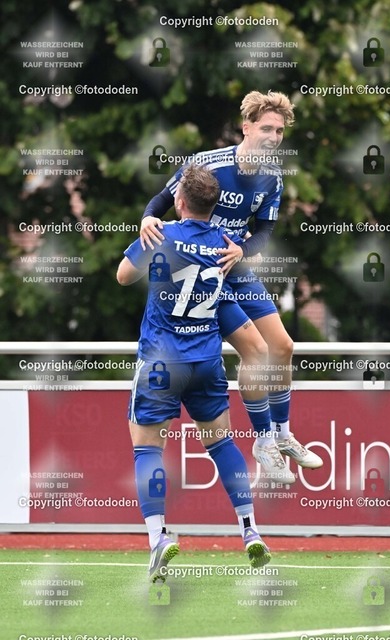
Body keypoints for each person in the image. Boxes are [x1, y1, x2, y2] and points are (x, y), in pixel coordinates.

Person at [139, 90, 322, 481]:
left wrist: (243, 250)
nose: (274, 137)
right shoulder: (208, 164)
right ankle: (263, 441)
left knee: (283, 346)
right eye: (267, 128)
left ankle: (283, 435)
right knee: (256, 350)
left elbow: (265, 230)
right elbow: (162, 200)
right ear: (247, 127)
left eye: (280, 131)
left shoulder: (272, 178)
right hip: (204, 275)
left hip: (235, 268)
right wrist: (147, 218)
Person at [117, 164, 272, 583]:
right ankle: (250, 529)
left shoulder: (162, 234)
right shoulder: (226, 244)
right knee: (221, 442)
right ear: (213, 205)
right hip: (206, 361)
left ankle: (158, 538)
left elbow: (123, 276)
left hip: (161, 362)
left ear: (180, 201)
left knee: (147, 450)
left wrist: (151, 235)